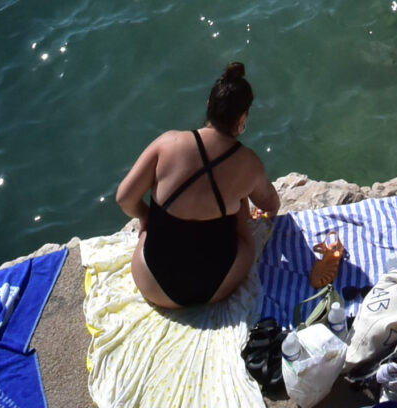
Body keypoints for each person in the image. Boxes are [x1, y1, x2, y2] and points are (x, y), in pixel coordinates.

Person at [114, 61, 279, 311]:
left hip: (153, 286)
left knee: (151, 225)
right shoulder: (248, 163)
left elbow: (124, 199)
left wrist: (147, 217)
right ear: (242, 118)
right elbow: (271, 205)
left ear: (208, 107)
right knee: (242, 205)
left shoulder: (167, 143)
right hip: (214, 287)